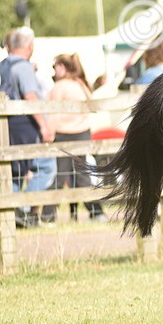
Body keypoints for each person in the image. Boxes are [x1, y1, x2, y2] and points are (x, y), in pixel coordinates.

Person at [0, 27, 54, 227]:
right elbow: (31, 97)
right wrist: (44, 126)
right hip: (26, 128)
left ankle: (13, 213)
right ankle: (22, 210)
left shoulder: (2, 65)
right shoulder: (23, 67)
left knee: (14, 172)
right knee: (46, 167)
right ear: (30, 46)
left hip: (8, 127)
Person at [45, 53, 106, 223]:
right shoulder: (82, 84)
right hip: (83, 133)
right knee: (83, 176)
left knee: (60, 175)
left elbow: (54, 112)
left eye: (55, 67)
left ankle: (47, 215)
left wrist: (49, 132)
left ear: (62, 67)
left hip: (64, 134)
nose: (54, 71)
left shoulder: (60, 86)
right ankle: (96, 211)